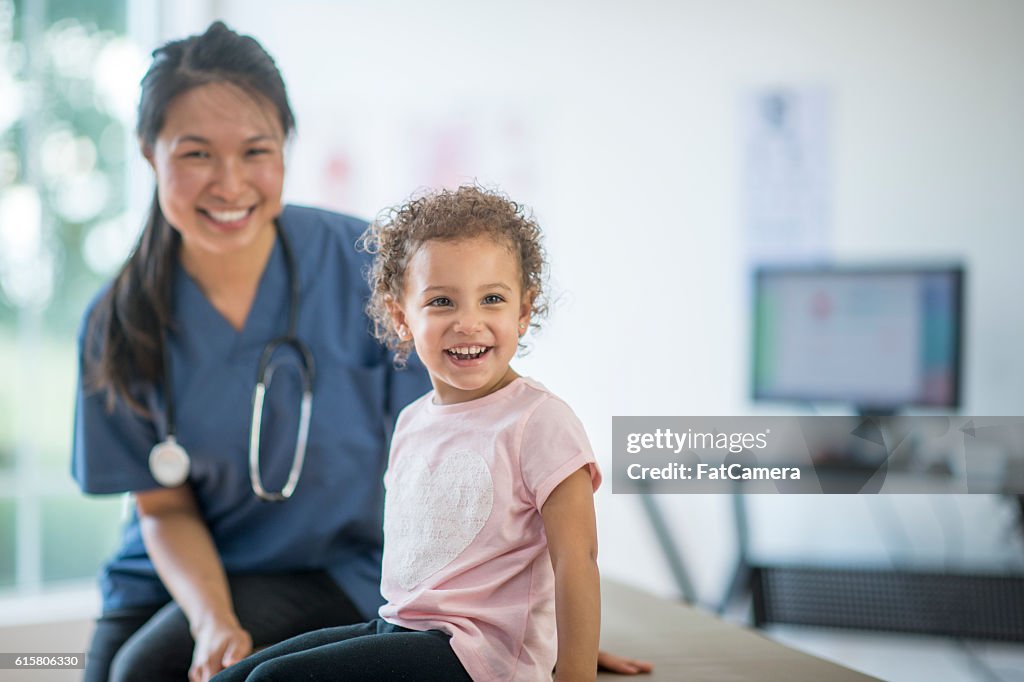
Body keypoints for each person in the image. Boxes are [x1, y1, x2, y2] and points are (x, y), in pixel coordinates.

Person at [72, 21, 651, 682]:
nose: (229, 183)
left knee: (148, 672)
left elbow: (478, 461)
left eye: (256, 150)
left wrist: (541, 636)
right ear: (150, 154)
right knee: (124, 672)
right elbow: (162, 507)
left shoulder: (372, 266)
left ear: (286, 148)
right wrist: (210, 618)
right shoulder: (119, 321)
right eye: (196, 153)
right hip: (173, 570)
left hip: (335, 569)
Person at [213, 185, 600, 681]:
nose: (468, 322)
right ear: (401, 317)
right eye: (441, 301)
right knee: (234, 678)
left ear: (522, 312)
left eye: (492, 299)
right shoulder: (413, 420)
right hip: (402, 627)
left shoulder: (540, 421)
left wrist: (576, 673)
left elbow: (578, 560)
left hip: (482, 659)